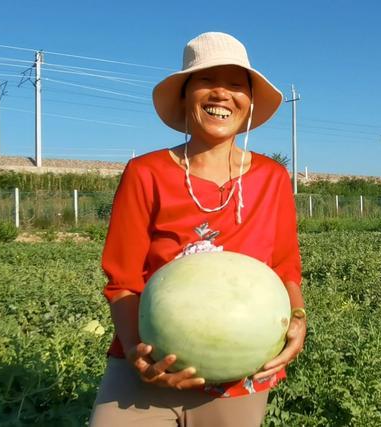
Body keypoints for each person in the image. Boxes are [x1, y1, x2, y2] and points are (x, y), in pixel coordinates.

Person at [89, 32, 306, 427]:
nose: (221, 94)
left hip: (238, 375)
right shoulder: (146, 173)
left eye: (236, 85)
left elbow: (286, 266)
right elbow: (121, 278)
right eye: (207, 81)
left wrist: (299, 319)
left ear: (249, 101)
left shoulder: (272, 177)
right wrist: (138, 350)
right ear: (186, 95)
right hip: (149, 363)